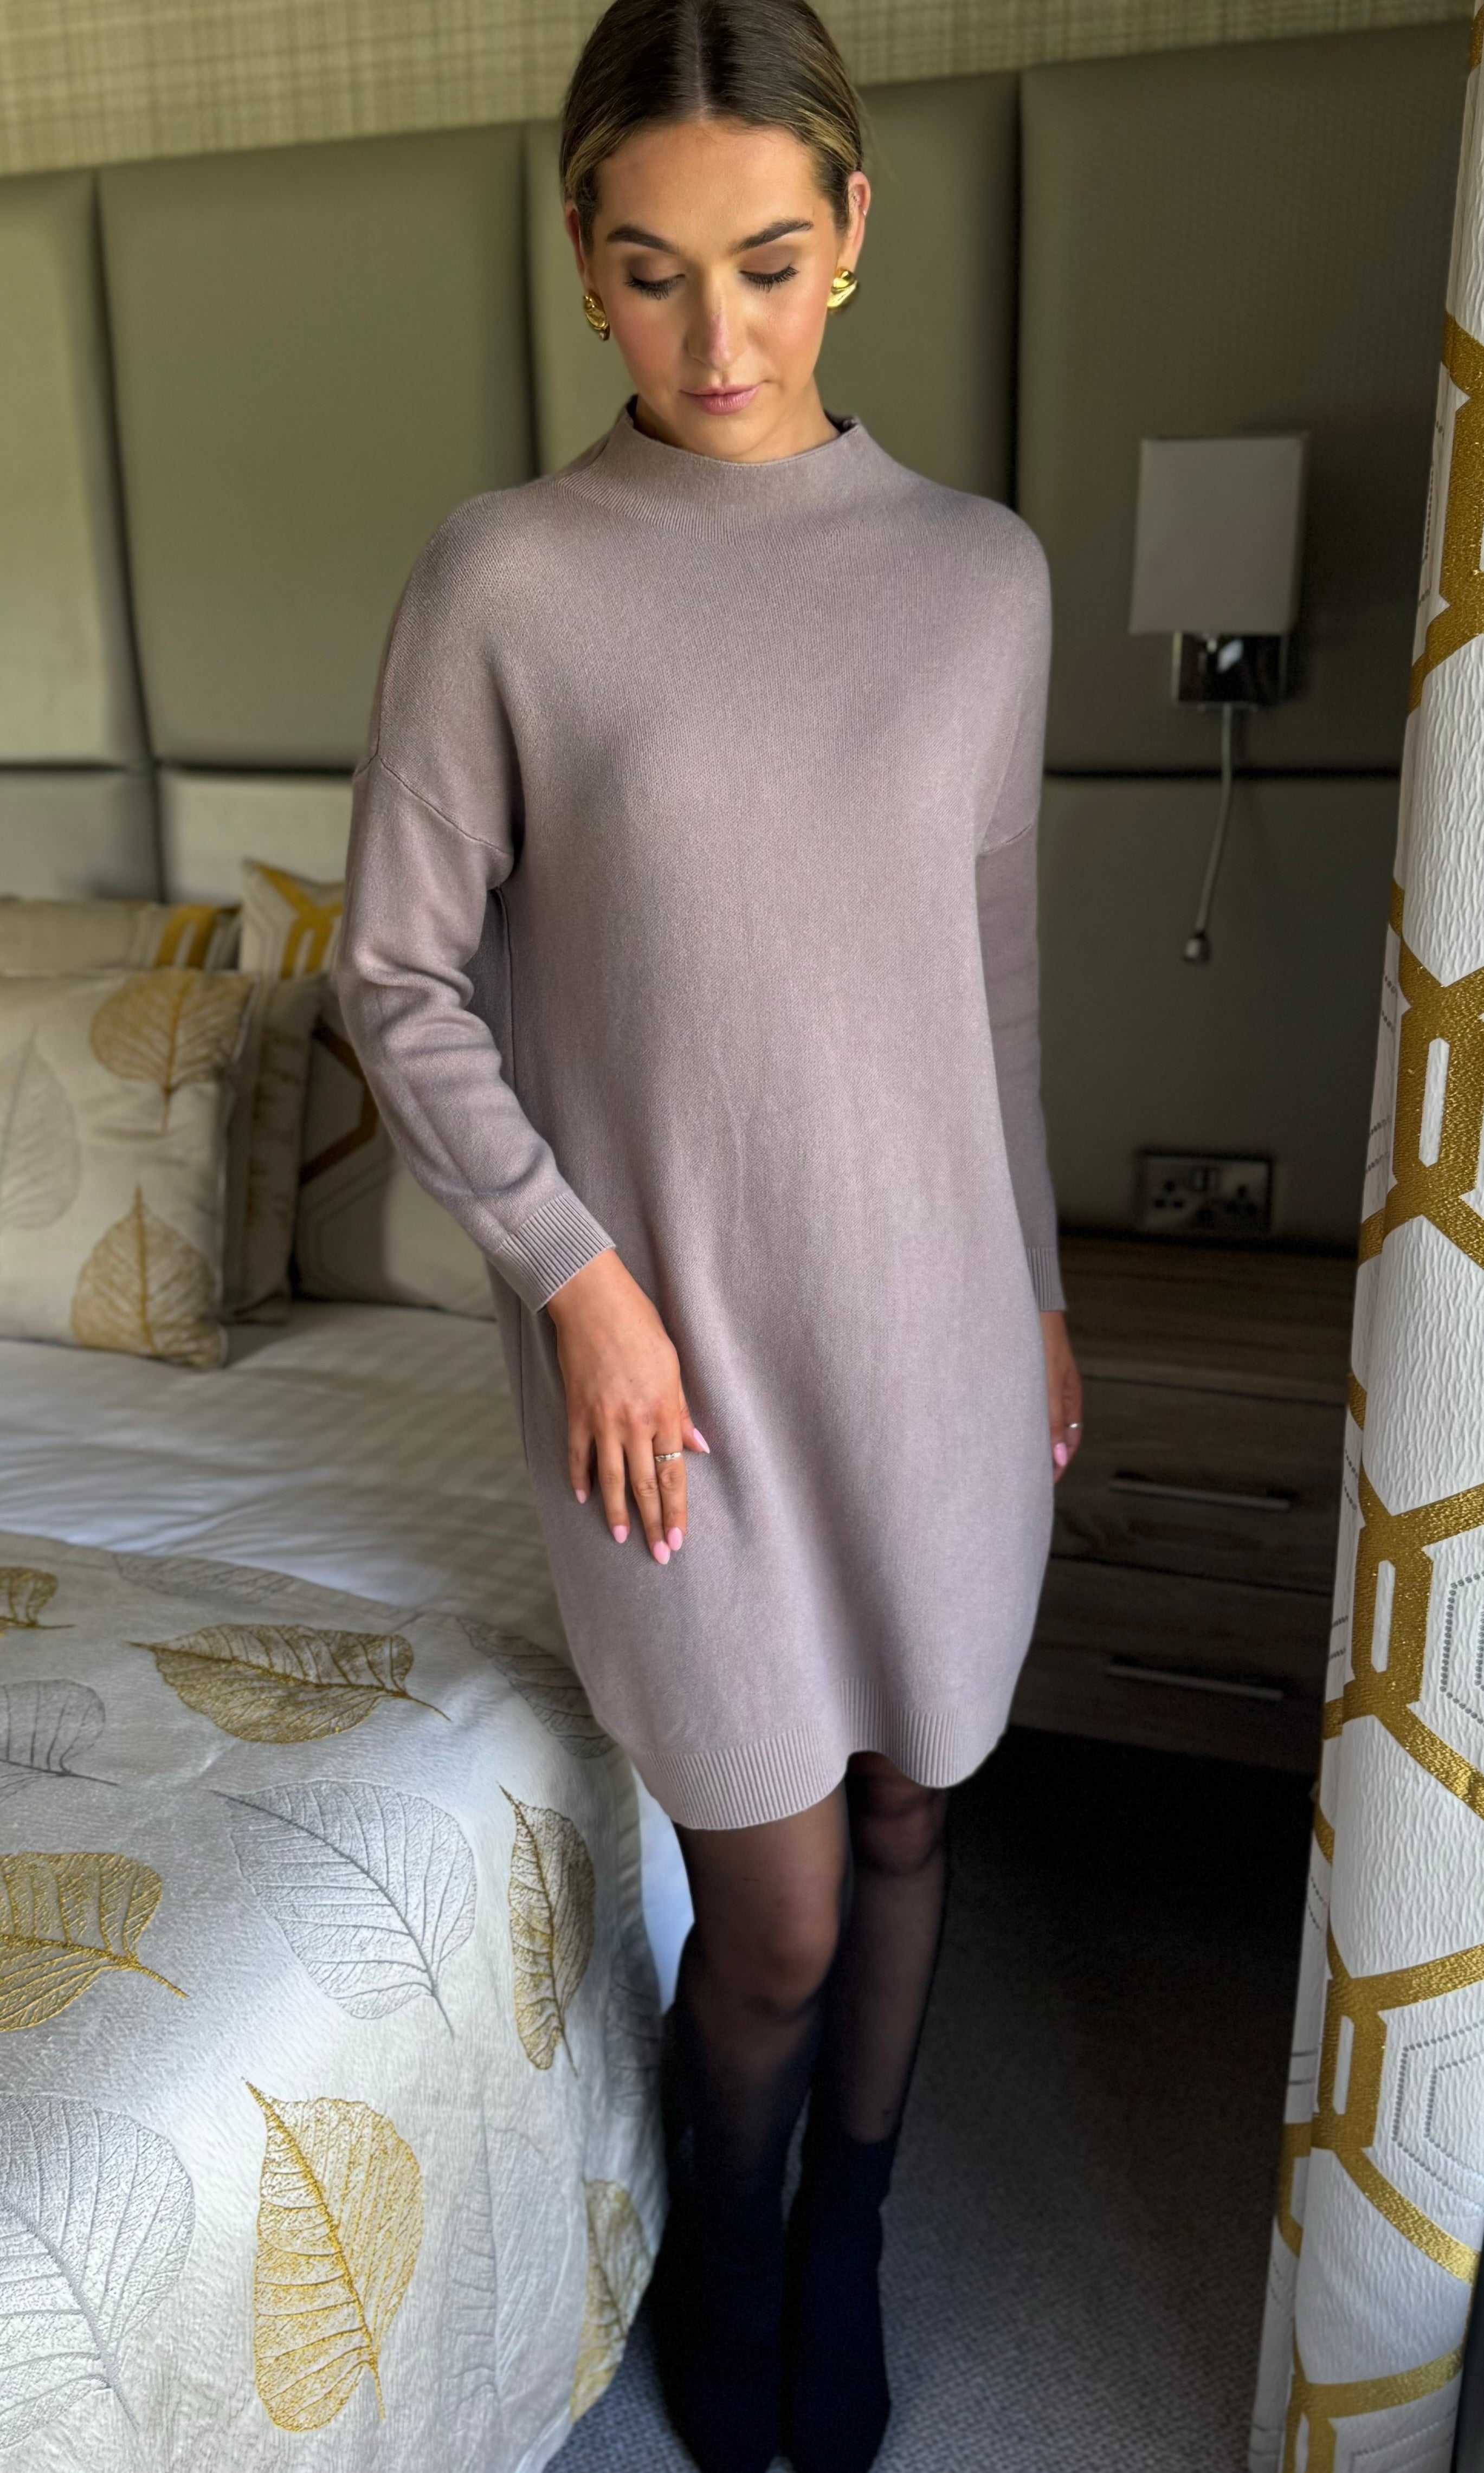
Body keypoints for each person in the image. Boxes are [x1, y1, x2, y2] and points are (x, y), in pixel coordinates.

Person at [335, 2, 1084, 2465]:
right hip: (661, 1372)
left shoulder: (978, 578)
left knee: (914, 1812)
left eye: (765, 260)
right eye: (653, 273)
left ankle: (846, 2236)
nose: (717, 335)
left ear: (852, 230)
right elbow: (394, 978)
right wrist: (573, 1274)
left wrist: (1040, 1289)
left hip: (938, 1334)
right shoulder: (509, 581)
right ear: (583, 262)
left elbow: (993, 977)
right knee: (769, 1911)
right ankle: (727, 2246)